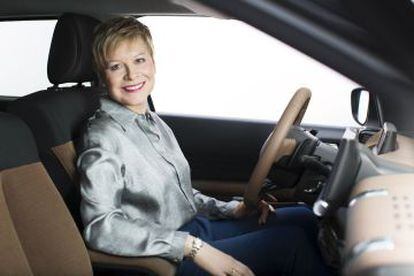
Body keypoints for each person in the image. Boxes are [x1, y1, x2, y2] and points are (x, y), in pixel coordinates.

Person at [77, 16, 328, 275]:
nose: (132, 74)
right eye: (116, 66)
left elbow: (180, 195)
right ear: (102, 74)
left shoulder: (151, 121)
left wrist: (235, 209)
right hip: (162, 257)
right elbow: (100, 227)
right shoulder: (103, 135)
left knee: (305, 217)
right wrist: (191, 247)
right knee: (289, 245)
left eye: (139, 60)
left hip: (193, 229)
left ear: (153, 62)